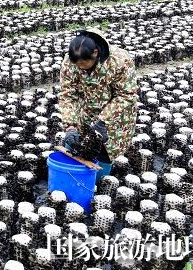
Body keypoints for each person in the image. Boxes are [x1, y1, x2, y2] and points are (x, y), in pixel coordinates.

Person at [58, 28, 137, 179]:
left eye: (83, 62)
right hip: (84, 113)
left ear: (95, 53)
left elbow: (127, 95)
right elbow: (67, 95)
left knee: (104, 154)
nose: (80, 66)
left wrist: (103, 120)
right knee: (74, 147)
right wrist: (70, 125)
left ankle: (98, 183)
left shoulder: (119, 61)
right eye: (77, 63)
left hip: (115, 118)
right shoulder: (70, 62)